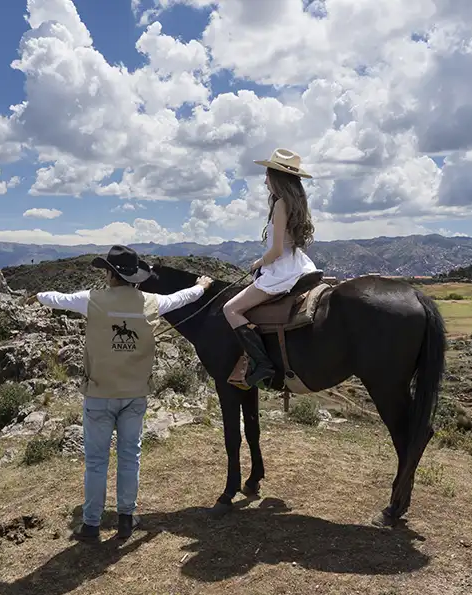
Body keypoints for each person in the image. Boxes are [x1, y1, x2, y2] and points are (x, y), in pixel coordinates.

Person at [26, 245, 213, 542]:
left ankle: (91, 525)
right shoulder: (152, 302)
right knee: (130, 457)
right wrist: (201, 286)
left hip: (99, 393)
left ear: (110, 274)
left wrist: (36, 296)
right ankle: (126, 519)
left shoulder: (93, 299)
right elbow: (181, 298)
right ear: (135, 277)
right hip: (135, 393)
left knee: (97, 462)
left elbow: (58, 299)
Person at [222, 148, 319, 389]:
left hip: (281, 271)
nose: (265, 179)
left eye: (267, 174)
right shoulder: (295, 203)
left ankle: (262, 362)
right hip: (298, 265)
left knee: (230, 309)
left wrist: (257, 263)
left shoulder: (280, 205)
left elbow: (276, 251)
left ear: (277, 177)